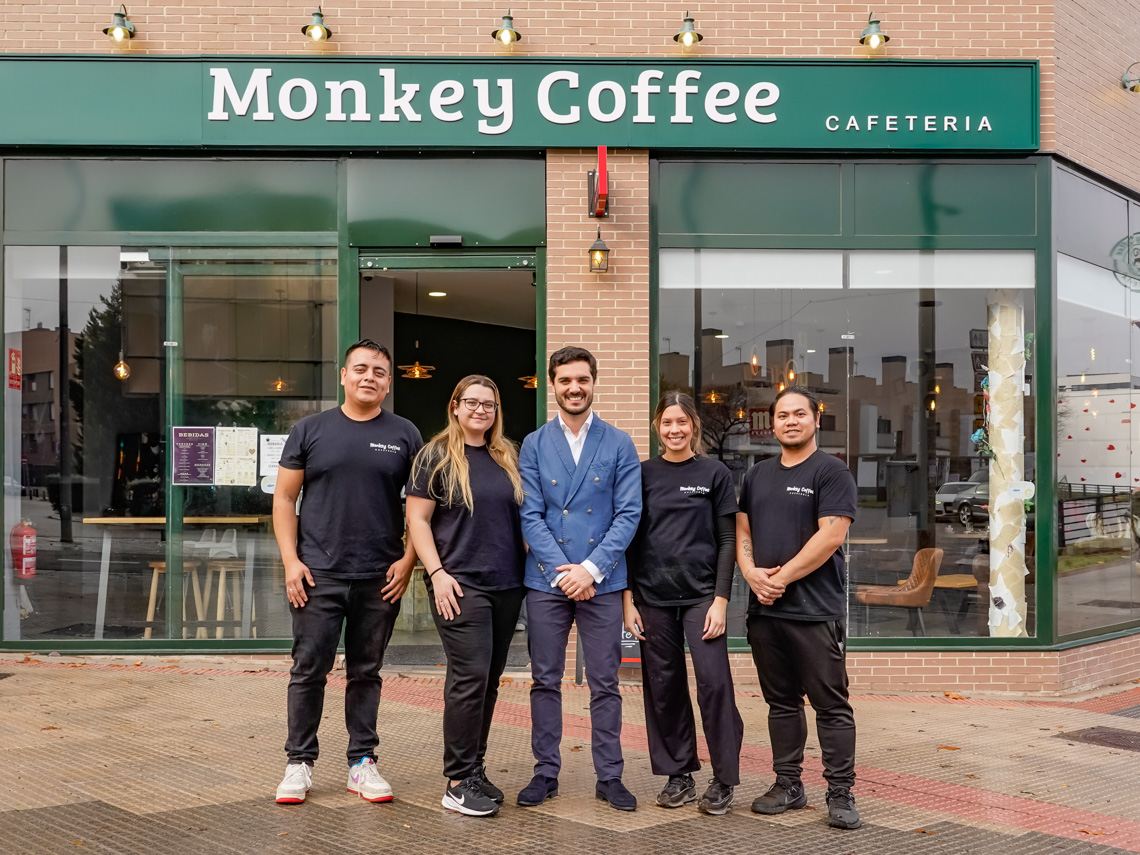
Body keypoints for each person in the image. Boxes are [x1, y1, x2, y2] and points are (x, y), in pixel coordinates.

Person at [272, 339, 423, 805]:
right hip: (317, 574)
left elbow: (422, 510)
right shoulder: (310, 430)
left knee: (366, 671)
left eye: (379, 371)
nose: (369, 377)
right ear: (343, 375)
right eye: (360, 369)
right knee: (308, 669)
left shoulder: (405, 434)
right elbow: (283, 499)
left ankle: (362, 763)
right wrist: (291, 561)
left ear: (389, 382)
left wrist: (408, 561)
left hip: (380, 575)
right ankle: (299, 762)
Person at [516, 346, 642, 811]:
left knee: (606, 682)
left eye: (582, 380)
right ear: (553, 384)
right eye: (565, 380)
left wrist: (589, 569)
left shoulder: (619, 442)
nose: (574, 388)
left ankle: (610, 776)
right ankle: (545, 772)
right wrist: (564, 572)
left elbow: (629, 514)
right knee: (544, 680)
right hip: (547, 580)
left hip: (602, 580)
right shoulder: (533, 443)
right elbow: (531, 515)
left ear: (594, 382)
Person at [735, 386, 860, 830]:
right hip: (766, 613)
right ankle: (788, 784)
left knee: (831, 704)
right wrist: (750, 574)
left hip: (814, 611)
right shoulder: (756, 475)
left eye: (799, 414)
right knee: (781, 703)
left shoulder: (832, 471)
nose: (790, 421)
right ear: (773, 423)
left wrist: (779, 578)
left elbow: (831, 536)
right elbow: (742, 529)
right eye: (783, 415)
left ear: (815, 420)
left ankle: (840, 792)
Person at [406, 375, 526, 818]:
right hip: (459, 585)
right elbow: (417, 521)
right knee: (469, 680)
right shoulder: (435, 456)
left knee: (489, 682)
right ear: (455, 406)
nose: (480, 410)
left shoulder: (505, 456)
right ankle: (456, 782)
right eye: (472, 402)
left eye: (489, 404)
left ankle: (474, 767)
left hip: (507, 584)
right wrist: (436, 574)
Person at [623, 392, 744, 815]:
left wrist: (720, 599)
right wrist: (628, 599)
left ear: (694, 426)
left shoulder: (714, 473)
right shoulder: (641, 474)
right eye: (667, 422)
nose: (675, 430)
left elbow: (728, 540)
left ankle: (725, 778)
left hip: (701, 598)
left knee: (714, 684)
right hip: (652, 598)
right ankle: (679, 776)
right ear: (658, 427)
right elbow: (629, 539)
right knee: (663, 686)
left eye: (682, 422)